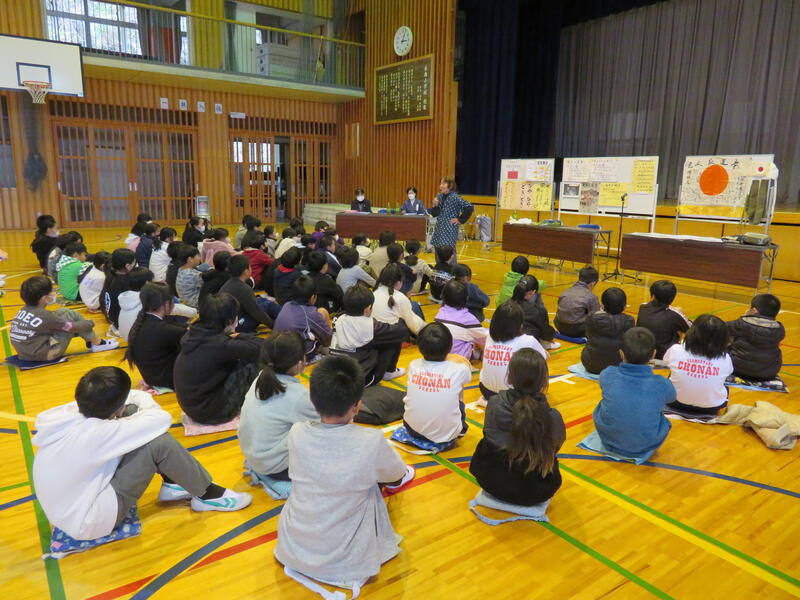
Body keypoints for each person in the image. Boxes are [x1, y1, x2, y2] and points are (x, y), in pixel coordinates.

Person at [32, 366, 251, 543]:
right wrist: (136, 404)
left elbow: (131, 401)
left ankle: (173, 484)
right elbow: (160, 419)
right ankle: (208, 494)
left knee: (137, 424)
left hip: (71, 509)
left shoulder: (71, 413)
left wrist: (126, 407)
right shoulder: (96, 434)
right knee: (158, 442)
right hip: (90, 520)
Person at [274, 355, 413, 590]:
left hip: (295, 543)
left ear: (312, 399)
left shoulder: (297, 432)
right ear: (357, 406)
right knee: (374, 486)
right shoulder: (370, 440)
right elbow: (395, 475)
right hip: (343, 555)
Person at [470, 349, 565, 506]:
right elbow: (555, 447)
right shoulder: (553, 416)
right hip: (536, 492)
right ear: (544, 381)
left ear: (510, 377)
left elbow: (489, 435)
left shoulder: (494, 403)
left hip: (490, 481)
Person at [239, 331, 318, 483]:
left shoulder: (261, 377)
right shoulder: (297, 396)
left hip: (254, 456)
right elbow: (325, 422)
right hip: (276, 468)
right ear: (299, 363)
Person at [174, 293, 263, 424]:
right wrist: (238, 335)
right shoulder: (220, 344)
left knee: (244, 355)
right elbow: (263, 346)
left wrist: (235, 336)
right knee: (256, 360)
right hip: (212, 413)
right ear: (230, 321)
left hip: (193, 407)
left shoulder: (193, 333)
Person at [593, 328, 675, 457]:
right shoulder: (661, 383)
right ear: (653, 355)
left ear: (621, 353)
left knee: (604, 403)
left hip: (608, 440)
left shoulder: (607, 374)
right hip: (646, 444)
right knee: (659, 412)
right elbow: (672, 397)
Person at [10, 276, 119, 360]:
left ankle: (93, 341)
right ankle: (97, 343)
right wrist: (90, 323)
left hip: (25, 353)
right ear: (44, 298)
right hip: (44, 355)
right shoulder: (45, 316)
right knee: (71, 317)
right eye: (51, 292)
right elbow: (71, 327)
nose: (53, 293)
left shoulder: (24, 309)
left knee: (62, 312)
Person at [402, 323, 471, 444]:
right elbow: (467, 377)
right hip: (446, 435)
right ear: (450, 346)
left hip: (411, 429)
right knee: (458, 388)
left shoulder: (413, 365)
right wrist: (459, 360)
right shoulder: (460, 369)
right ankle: (460, 427)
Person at [331, 284, 409, 385]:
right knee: (393, 337)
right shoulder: (372, 326)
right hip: (361, 380)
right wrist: (402, 318)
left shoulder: (338, 318)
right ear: (368, 308)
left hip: (334, 373)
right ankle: (390, 371)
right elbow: (402, 331)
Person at [663, 314, 733, 417]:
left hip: (674, 402)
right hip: (711, 408)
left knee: (672, 374)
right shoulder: (725, 358)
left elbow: (666, 362)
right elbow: (728, 373)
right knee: (723, 384)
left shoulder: (676, 349)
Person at [479, 301, 548, 402]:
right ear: (520, 324)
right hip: (512, 396)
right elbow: (543, 358)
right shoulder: (528, 341)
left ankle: (494, 402)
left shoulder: (489, 336)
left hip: (486, 390)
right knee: (537, 364)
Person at [125, 282, 188, 389]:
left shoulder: (140, 322)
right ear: (167, 303)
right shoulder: (166, 330)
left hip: (151, 377)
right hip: (169, 379)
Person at [118, 268, 196, 341]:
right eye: (152, 281)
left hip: (127, 338)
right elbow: (173, 308)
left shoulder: (126, 298)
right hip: (142, 339)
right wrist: (195, 312)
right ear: (147, 283)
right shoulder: (147, 297)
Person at [727, 294, 785, 381]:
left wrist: (746, 316)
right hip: (769, 373)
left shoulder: (742, 323)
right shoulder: (779, 329)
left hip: (738, 369)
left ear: (753, 310)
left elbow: (721, 328)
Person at [273, 275, 332, 359]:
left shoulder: (287, 305)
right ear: (313, 297)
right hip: (296, 357)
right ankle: (325, 351)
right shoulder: (310, 314)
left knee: (320, 313)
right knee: (323, 312)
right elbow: (328, 338)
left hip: (277, 350)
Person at [581, 287, 635, 375]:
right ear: (625, 306)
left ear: (602, 305)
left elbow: (588, 336)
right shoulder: (629, 321)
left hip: (591, 364)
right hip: (617, 365)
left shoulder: (591, 318)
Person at [220, 255, 279, 333]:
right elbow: (257, 313)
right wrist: (273, 326)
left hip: (227, 323)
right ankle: (282, 324)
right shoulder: (244, 289)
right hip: (236, 326)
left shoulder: (227, 284)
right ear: (246, 271)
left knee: (262, 301)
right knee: (266, 305)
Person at [636, 280, 691, 359]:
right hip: (663, 357)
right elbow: (691, 329)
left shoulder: (642, 307)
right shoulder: (675, 314)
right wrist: (681, 313)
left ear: (653, 296)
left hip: (641, 353)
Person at [434, 280, 488, 360]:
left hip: (440, 355)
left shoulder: (439, 313)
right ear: (467, 299)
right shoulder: (468, 319)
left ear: (443, 298)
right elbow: (485, 338)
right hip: (458, 358)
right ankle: (476, 355)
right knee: (480, 344)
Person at [372, 264, 426, 335]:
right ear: (398, 282)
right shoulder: (400, 297)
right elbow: (414, 326)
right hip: (392, 337)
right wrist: (427, 330)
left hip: (374, 335)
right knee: (414, 308)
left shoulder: (374, 293)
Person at [428, 176, 473, 261]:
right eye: (440, 183)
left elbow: (469, 207)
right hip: (439, 228)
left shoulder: (455, 197)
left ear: (450, 186)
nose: (441, 186)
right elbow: (435, 214)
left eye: (443, 183)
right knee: (438, 250)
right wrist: (435, 206)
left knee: (449, 251)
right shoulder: (439, 196)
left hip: (449, 229)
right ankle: (439, 268)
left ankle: (452, 269)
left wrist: (460, 220)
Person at [554, 266, 601, 338]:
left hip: (559, 326)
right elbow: (596, 317)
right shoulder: (591, 296)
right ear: (593, 283)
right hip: (577, 330)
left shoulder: (566, 291)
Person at [511, 275, 557, 347]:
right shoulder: (535, 310)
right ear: (533, 292)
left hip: (503, 341)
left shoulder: (505, 305)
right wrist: (549, 338)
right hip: (524, 345)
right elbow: (546, 330)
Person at [102, 248, 136, 333]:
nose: (135, 264)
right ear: (127, 266)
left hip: (112, 317)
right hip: (121, 321)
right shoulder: (124, 282)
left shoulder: (111, 275)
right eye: (134, 263)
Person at [304, 251, 342, 315]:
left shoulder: (303, 278)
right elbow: (340, 296)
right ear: (324, 266)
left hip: (307, 311)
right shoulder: (327, 281)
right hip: (325, 313)